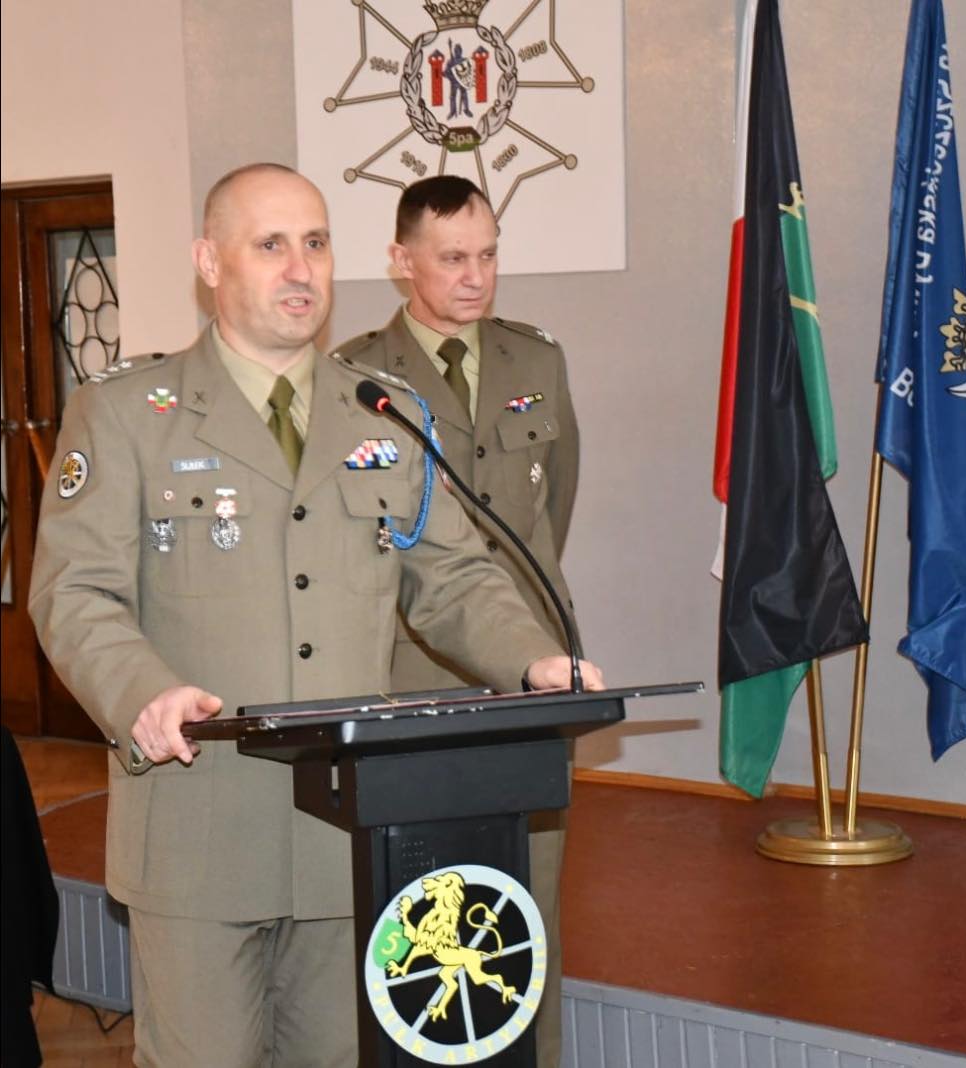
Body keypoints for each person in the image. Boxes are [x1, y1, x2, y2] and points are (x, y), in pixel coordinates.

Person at [27, 162, 602, 1068]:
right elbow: (73, 591)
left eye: (316, 244)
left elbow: (452, 576)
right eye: (270, 245)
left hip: (345, 829)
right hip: (199, 823)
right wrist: (140, 691)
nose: (300, 270)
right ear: (209, 262)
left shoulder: (384, 414)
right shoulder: (128, 413)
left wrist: (532, 659)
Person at [336, 175, 579, 1067]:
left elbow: (552, 504)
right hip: (410, 667)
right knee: (415, 892)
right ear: (401, 262)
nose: (474, 277)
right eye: (451, 258)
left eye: (486, 255)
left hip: (532, 667)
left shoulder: (535, 360)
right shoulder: (355, 377)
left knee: (530, 896)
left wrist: (525, 631)